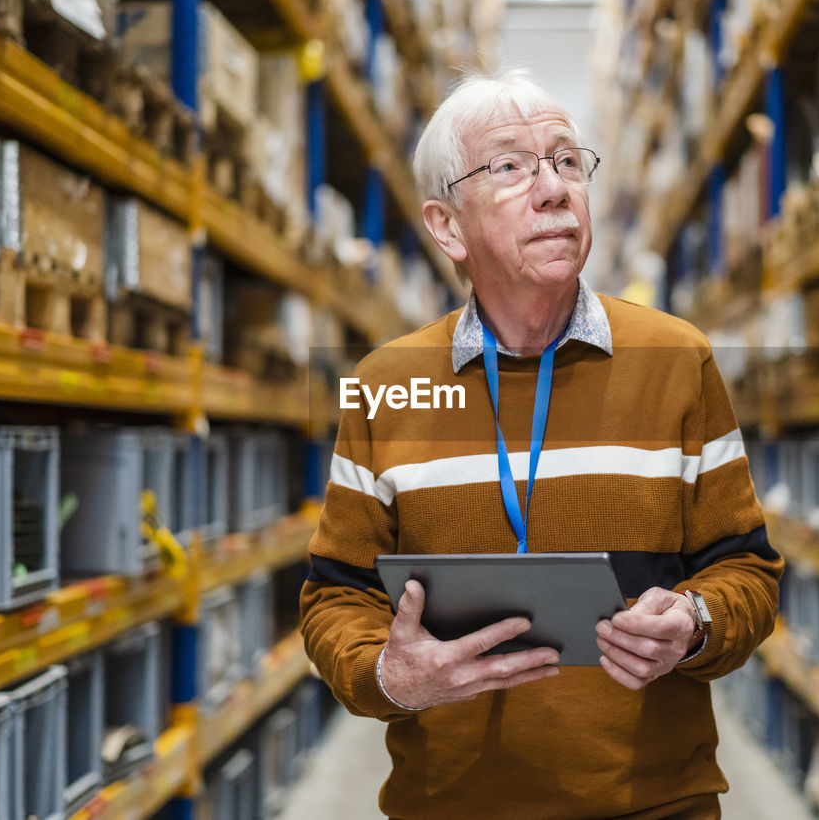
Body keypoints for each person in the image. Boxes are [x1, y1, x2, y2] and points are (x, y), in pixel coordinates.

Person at [300, 69, 782, 820]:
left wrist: (693, 621)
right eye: (510, 166)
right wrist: (390, 676)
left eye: (565, 160)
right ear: (447, 226)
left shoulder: (678, 360)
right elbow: (336, 595)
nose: (554, 188)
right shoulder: (388, 385)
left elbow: (747, 570)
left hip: (655, 804)